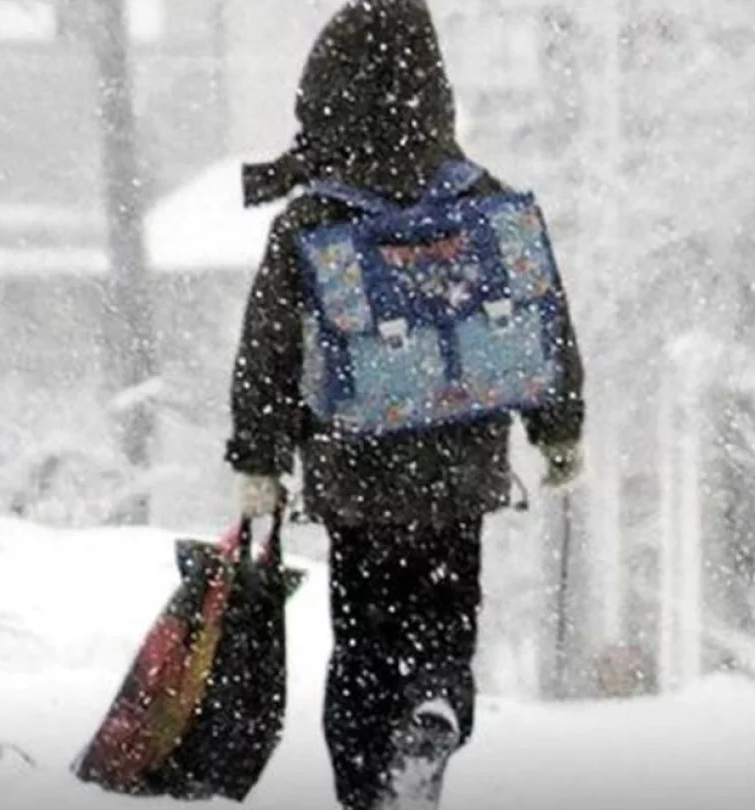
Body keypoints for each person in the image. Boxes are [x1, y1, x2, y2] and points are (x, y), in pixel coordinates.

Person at [223, 2, 585, 808]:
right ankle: (435, 704)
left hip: (358, 472)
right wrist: (559, 429)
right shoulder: (481, 197)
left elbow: (269, 348)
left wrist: (258, 460)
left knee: (363, 635)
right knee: (445, 614)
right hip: (460, 467)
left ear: (326, 101)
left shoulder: (314, 216)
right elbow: (541, 312)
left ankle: (365, 785)